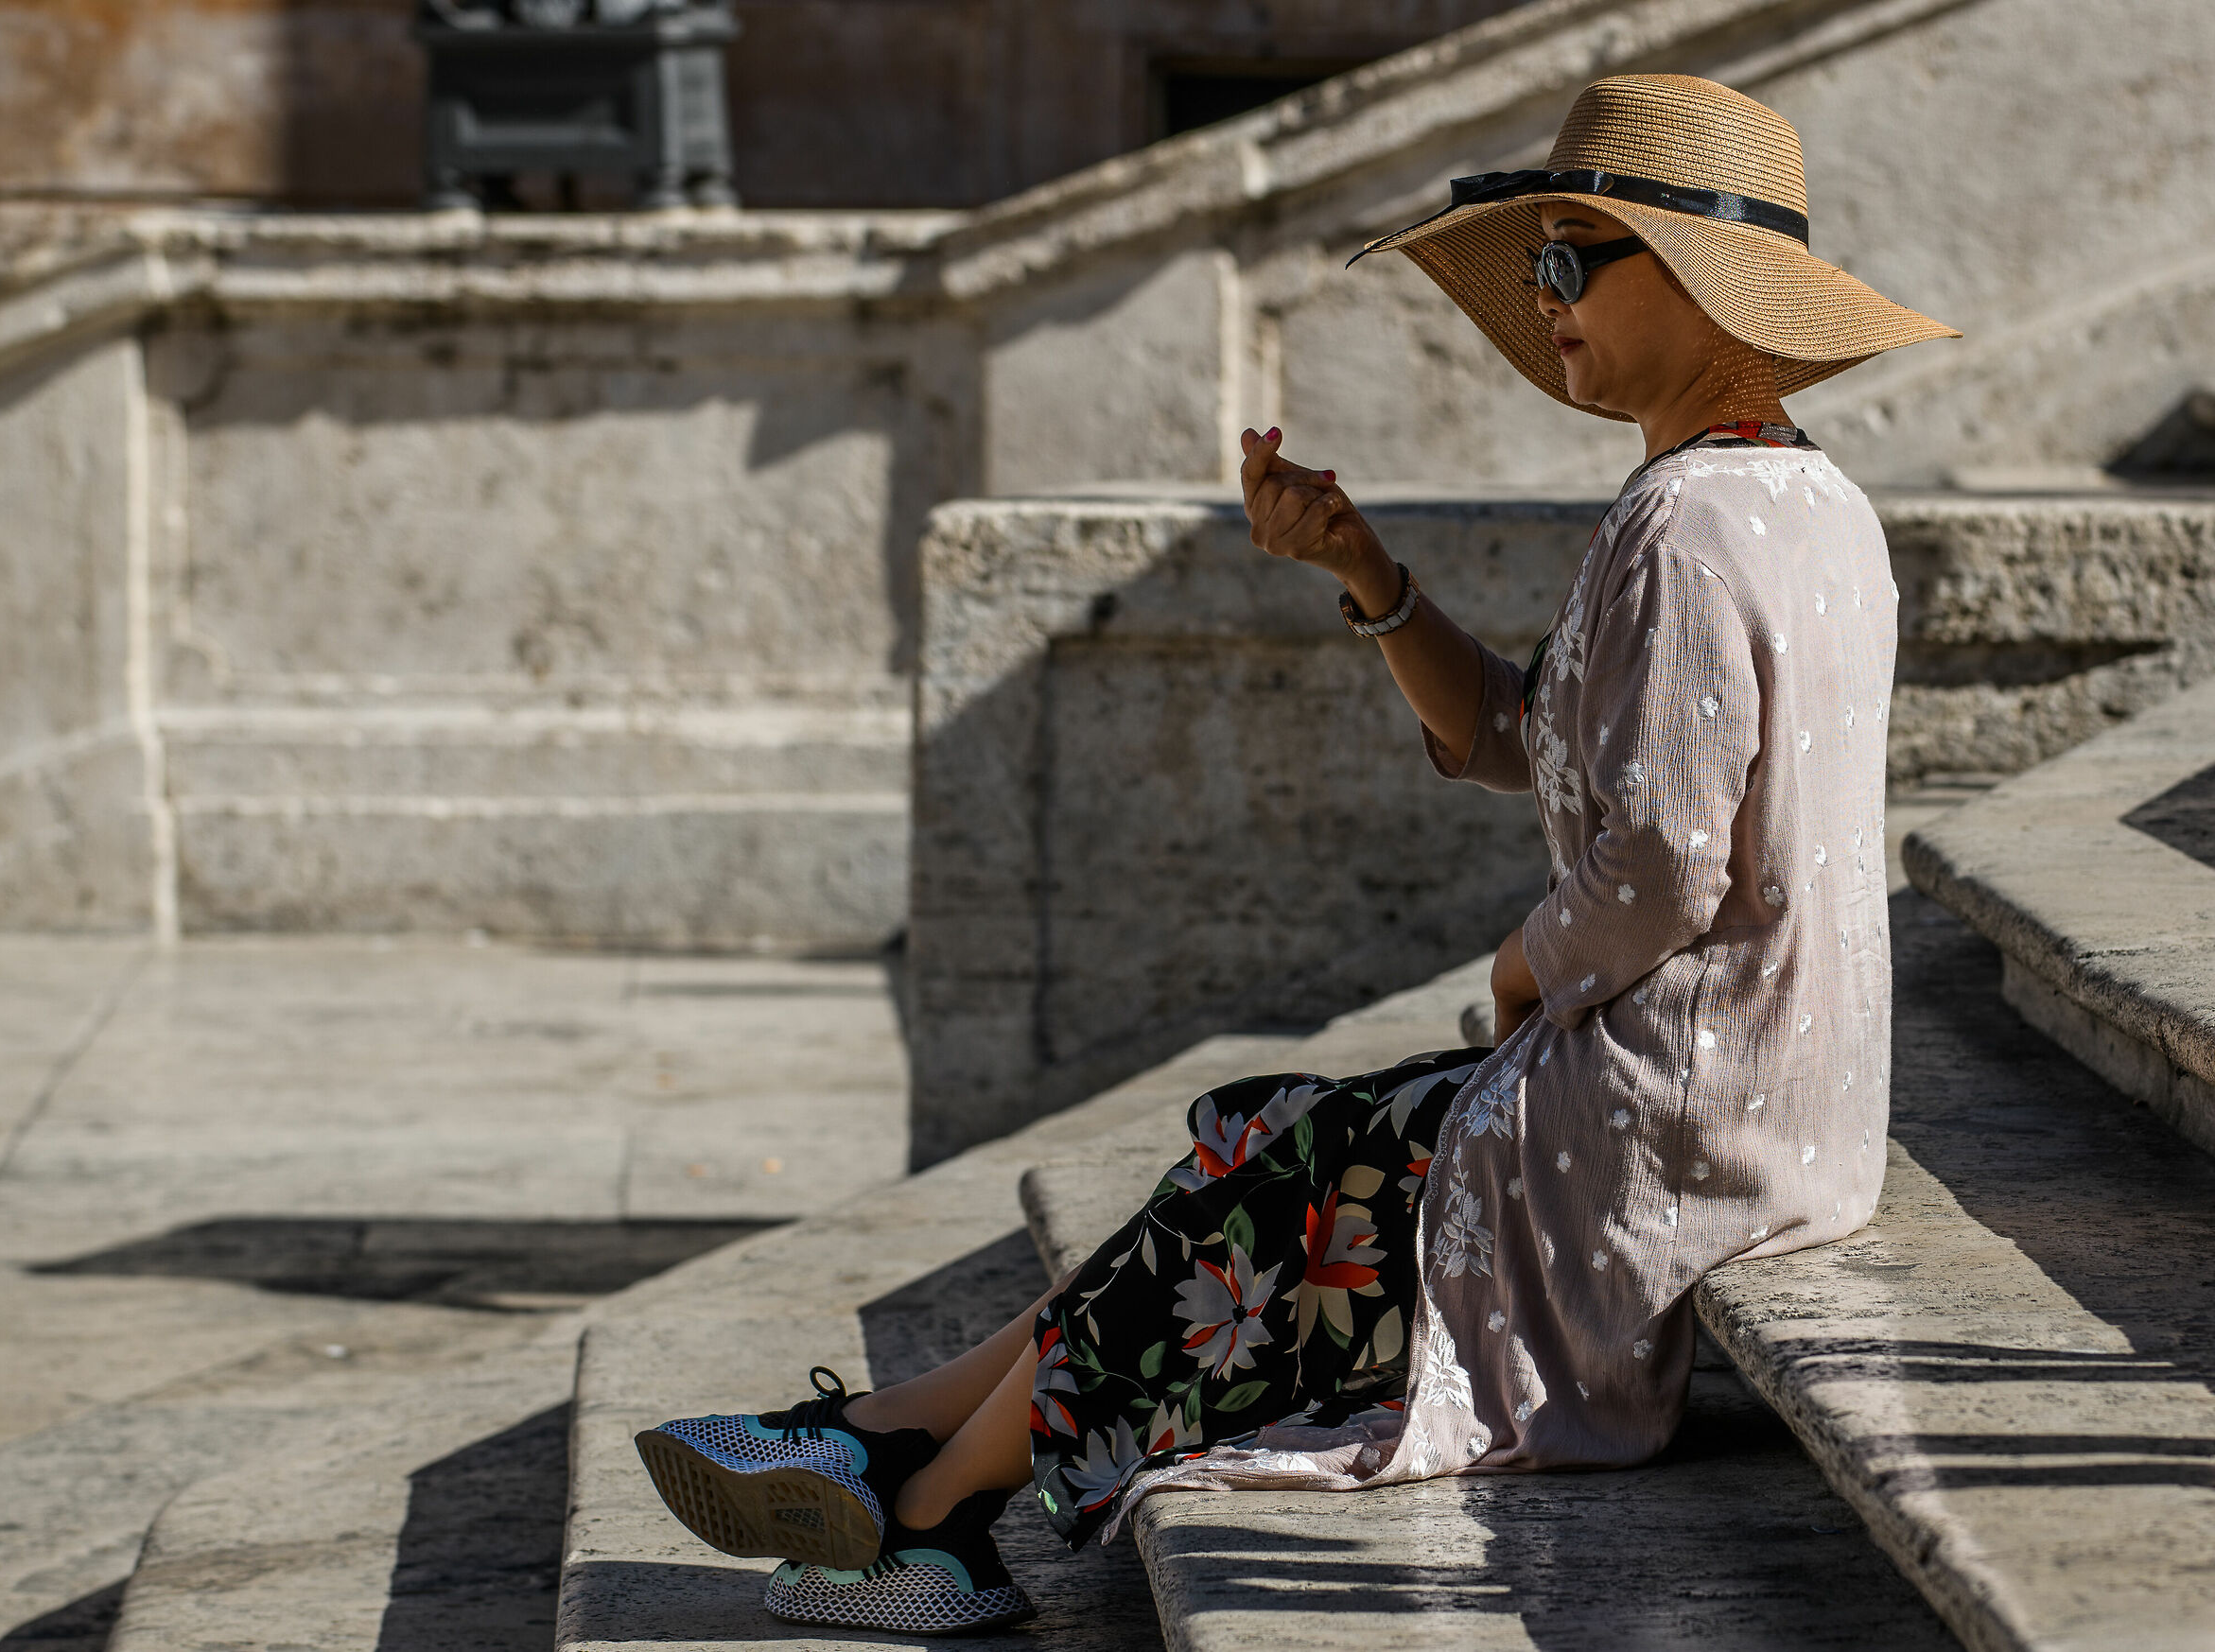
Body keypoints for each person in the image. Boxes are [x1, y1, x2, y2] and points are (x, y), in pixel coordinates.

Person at [631, 73, 1957, 1635]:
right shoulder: (1809, 500)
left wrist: (1520, 967)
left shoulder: (1685, 523)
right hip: (1764, 1093)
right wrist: (1364, 569)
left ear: (1698, 276)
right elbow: (1541, 742)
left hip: (1680, 1111)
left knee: (1293, 1183)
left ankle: (926, 1507)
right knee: (1279, 1144)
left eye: (1567, 259)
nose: (1544, 304)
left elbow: (1656, 873)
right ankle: (885, 1444)